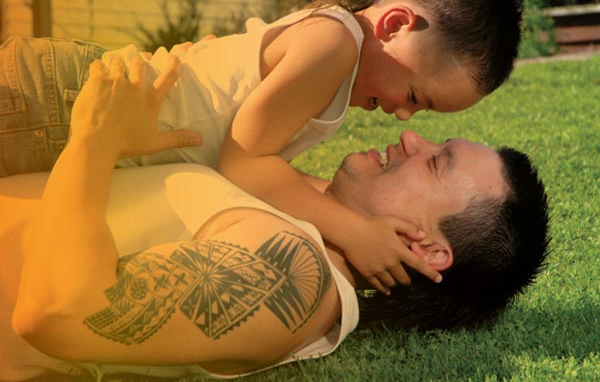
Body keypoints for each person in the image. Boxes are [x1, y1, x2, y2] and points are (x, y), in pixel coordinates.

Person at [1, 53, 549, 381]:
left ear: (426, 249)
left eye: (435, 162)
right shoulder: (309, 212)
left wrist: (95, 139)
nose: (411, 138)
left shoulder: (296, 277)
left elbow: (60, 313)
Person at [0, 0, 524, 293]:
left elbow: (264, 164)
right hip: (55, 103)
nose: (405, 116)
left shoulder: (337, 49)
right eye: (413, 96)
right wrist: (356, 233)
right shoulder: (335, 46)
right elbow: (244, 162)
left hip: (70, 110)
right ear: (394, 25)